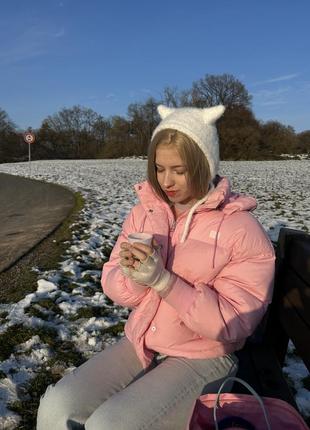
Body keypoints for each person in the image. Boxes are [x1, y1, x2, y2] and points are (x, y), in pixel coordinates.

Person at [37, 104, 275, 430]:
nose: (167, 181)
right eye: (159, 168)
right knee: (57, 407)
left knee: (110, 425)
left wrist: (164, 281)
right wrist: (134, 276)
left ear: (205, 164)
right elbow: (114, 283)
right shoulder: (147, 212)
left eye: (178, 169)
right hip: (143, 341)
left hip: (204, 356)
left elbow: (234, 321)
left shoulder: (241, 229)